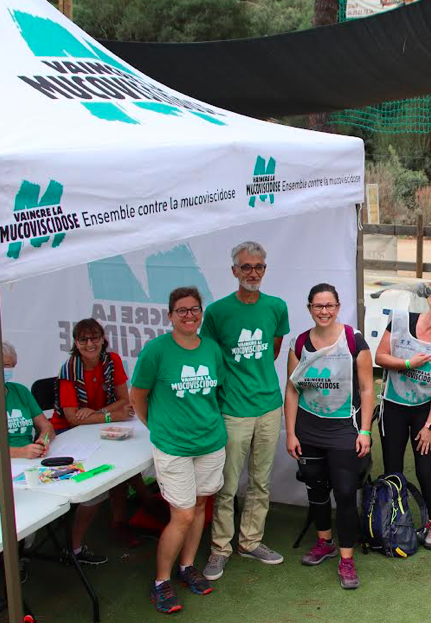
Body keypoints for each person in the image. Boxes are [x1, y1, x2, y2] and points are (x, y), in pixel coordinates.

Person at [131, 287, 227, 615]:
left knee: (200, 506)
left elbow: (216, 392)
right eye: (182, 310)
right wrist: (156, 427)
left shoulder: (212, 349)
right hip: (173, 446)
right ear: (170, 315)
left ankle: (187, 567)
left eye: (195, 309)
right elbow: (138, 396)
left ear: (201, 313)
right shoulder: (156, 351)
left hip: (210, 441)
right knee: (182, 513)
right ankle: (161, 580)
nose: (189, 315)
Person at [201, 242, 290, 581]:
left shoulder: (276, 307)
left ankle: (250, 541)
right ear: (234, 271)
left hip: (268, 406)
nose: (253, 272)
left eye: (259, 267)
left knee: (261, 481)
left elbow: (273, 350)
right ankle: (219, 549)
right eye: (246, 267)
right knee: (226, 484)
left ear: (264, 270)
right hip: (233, 409)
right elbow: (210, 356)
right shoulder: (218, 312)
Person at [286, 283, 374, 590]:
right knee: (316, 489)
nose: (324, 311)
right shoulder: (299, 343)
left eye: (329, 306)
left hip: (343, 431)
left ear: (338, 307)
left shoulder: (354, 341)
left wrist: (364, 430)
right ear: (309, 308)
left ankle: (347, 560)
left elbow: (366, 389)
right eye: (317, 306)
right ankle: (325, 543)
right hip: (309, 430)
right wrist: (291, 433)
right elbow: (292, 390)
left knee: (346, 493)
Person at [50, 318, 151, 564]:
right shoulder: (68, 370)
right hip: (67, 436)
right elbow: (72, 419)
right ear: (75, 342)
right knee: (104, 475)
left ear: (102, 339)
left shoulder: (112, 360)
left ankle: (125, 518)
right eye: (83, 339)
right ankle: (77, 545)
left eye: (94, 337)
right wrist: (109, 414)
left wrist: (101, 413)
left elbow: (124, 400)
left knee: (124, 462)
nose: (90, 343)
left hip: (98, 425)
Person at [374, 282, 431, 549]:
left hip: (425, 411)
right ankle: (395, 519)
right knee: (393, 470)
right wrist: (409, 363)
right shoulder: (400, 320)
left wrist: (430, 425)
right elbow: (380, 357)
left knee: (426, 470)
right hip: (394, 407)